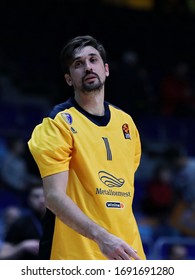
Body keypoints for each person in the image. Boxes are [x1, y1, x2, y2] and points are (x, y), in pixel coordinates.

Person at [28, 35, 146, 260]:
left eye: (93, 60)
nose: (88, 67)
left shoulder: (126, 124)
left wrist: (114, 241)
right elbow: (53, 197)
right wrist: (102, 238)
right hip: (74, 254)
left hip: (125, 251)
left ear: (106, 69)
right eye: (78, 64)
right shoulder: (58, 123)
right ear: (69, 79)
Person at [0, 184, 45, 259]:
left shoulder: (60, 221)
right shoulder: (20, 223)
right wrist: (22, 246)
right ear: (29, 199)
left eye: (44, 196)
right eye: (36, 196)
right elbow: (3, 255)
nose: (41, 200)